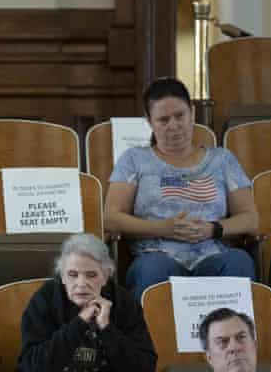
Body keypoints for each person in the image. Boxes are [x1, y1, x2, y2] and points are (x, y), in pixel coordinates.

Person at [105, 77, 258, 303]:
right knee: (152, 269)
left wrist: (212, 229)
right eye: (163, 120)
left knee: (239, 261)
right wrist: (162, 228)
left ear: (192, 113)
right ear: (149, 121)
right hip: (156, 255)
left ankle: (230, 338)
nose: (173, 126)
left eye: (180, 116)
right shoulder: (134, 160)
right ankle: (150, 339)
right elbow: (111, 218)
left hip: (213, 255)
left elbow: (250, 219)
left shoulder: (222, 160)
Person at [8, 233, 165, 372]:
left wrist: (107, 330)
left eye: (91, 275)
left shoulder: (123, 302)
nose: (81, 284)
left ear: (105, 277)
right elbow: (32, 364)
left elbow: (143, 366)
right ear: (62, 277)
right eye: (72, 275)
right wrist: (79, 323)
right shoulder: (45, 299)